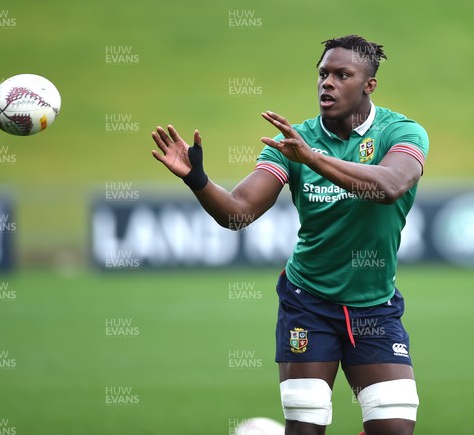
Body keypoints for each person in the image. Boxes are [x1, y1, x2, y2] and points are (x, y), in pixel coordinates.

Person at [151, 34, 428, 435]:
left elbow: (389, 187)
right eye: (323, 74)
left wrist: (313, 158)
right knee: (305, 428)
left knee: (395, 431)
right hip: (309, 303)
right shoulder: (292, 142)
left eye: (341, 74)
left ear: (369, 85)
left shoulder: (401, 132)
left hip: (375, 307)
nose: (327, 83)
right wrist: (198, 180)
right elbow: (238, 214)